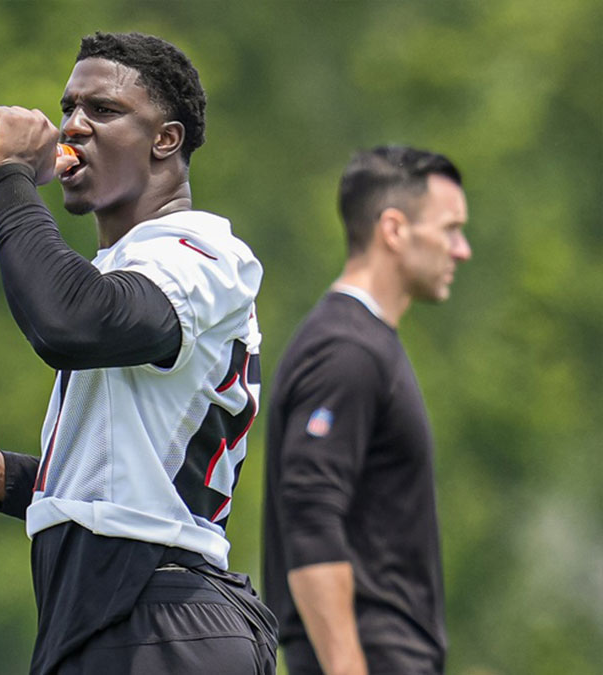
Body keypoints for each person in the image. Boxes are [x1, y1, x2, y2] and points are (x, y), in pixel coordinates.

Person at [0, 31, 276, 674]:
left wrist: (12, 177)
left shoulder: (199, 250)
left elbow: (69, 323)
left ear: (166, 140)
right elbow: (133, 476)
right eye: (69, 107)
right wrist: (8, 477)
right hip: (120, 613)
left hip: (160, 613)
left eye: (102, 110)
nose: (73, 126)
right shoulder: (130, 265)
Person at [261, 146, 471, 674]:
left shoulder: (364, 343)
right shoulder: (346, 351)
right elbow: (310, 515)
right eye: (450, 229)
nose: (462, 249)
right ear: (394, 230)